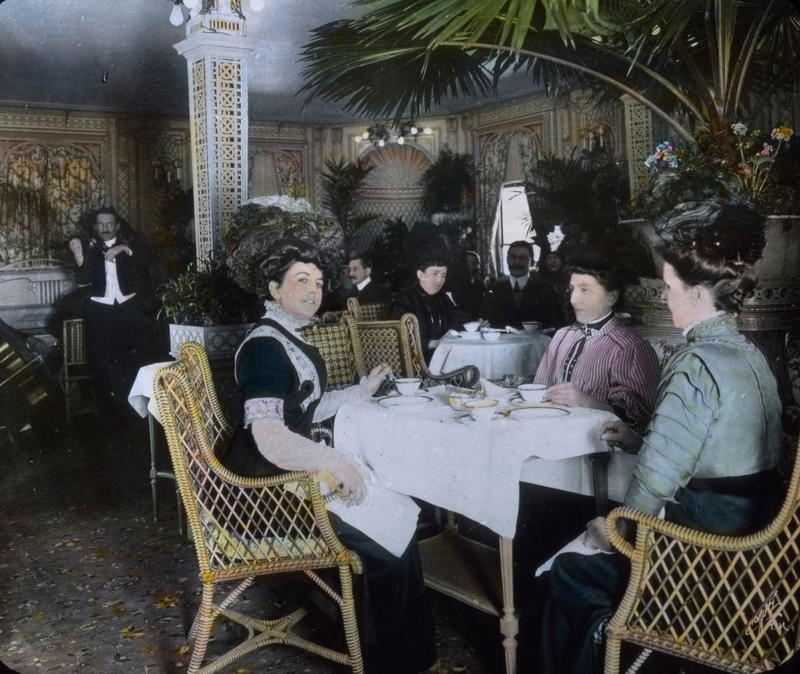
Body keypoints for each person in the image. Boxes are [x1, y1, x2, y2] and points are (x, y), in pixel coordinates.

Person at [538, 199, 784, 673]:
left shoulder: (693, 364)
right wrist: (637, 438)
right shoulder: (749, 354)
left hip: (703, 557)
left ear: (695, 293)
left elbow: (650, 489)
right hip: (756, 553)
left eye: (670, 287)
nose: (665, 296)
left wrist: (613, 531)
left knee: (571, 569)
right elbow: (713, 448)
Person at [222, 238, 438, 674]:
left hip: (288, 478)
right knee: (388, 531)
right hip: (268, 492)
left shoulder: (285, 335)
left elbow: (301, 407)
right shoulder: (265, 346)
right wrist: (335, 462)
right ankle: (393, 662)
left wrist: (358, 392)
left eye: (318, 283)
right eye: (301, 281)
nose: (313, 291)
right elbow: (269, 437)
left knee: (396, 511)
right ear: (274, 289)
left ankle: (399, 649)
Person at [533, 251, 660, 434]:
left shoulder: (629, 347)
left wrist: (586, 401)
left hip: (601, 447)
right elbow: (540, 389)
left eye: (585, 290)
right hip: (553, 434)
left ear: (611, 297)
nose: (573, 299)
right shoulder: (562, 336)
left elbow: (640, 420)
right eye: (572, 289)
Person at [68, 206, 152, 426]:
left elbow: (145, 261)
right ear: (95, 227)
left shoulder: (132, 246)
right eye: (101, 224)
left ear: (117, 226)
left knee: (132, 359)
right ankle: (107, 415)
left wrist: (123, 248)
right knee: (102, 361)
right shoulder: (90, 249)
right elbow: (83, 281)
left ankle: (136, 413)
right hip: (101, 310)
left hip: (128, 308)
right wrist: (79, 256)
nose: (105, 228)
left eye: (109, 223)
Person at [392, 251, 469, 361]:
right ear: (420, 275)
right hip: (418, 361)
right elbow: (400, 336)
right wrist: (431, 343)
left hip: (442, 355)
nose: (440, 280)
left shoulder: (441, 297)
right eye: (435, 273)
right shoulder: (405, 301)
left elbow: (459, 317)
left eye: (443, 275)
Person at [479, 240, 543, 329]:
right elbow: (485, 322)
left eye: (522, 258)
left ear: (531, 261)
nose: (517, 262)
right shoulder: (494, 290)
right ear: (507, 259)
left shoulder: (544, 291)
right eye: (512, 257)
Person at [531, 249, 571, 329]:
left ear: (561, 260)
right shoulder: (538, 279)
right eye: (549, 258)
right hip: (545, 322)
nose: (552, 261)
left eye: (556, 258)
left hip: (566, 321)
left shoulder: (569, 278)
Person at [448, 250, 486, 321]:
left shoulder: (479, 280)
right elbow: (459, 299)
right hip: (462, 314)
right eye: (471, 262)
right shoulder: (458, 279)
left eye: (477, 263)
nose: (475, 266)